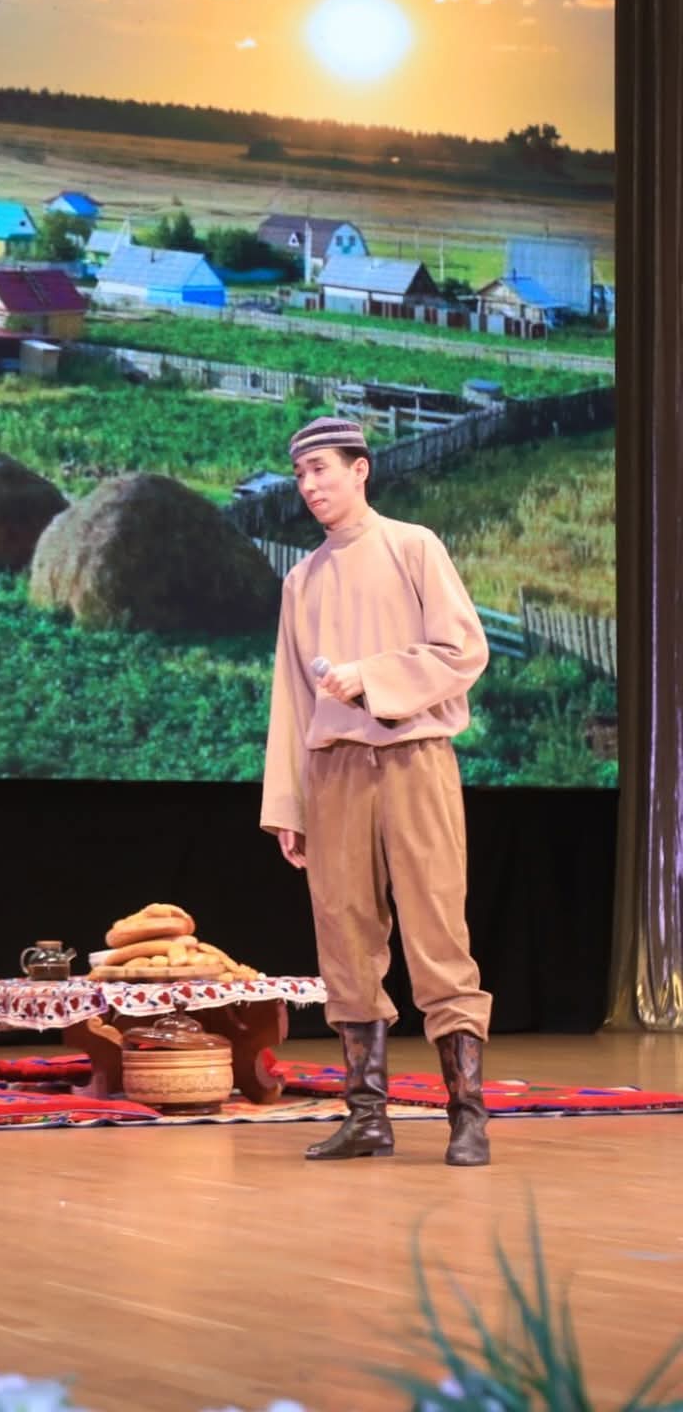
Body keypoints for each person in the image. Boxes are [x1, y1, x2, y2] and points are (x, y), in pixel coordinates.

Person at [260, 416, 493, 1167]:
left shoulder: (412, 546)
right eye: (301, 475)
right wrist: (288, 805)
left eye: (322, 470)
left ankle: (467, 1115)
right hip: (333, 772)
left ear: (360, 469)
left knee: (436, 928)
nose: (310, 486)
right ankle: (366, 1116)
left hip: (413, 759)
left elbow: (463, 650)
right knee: (344, 937)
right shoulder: (301, 580)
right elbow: (291, 699)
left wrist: (371, 678)